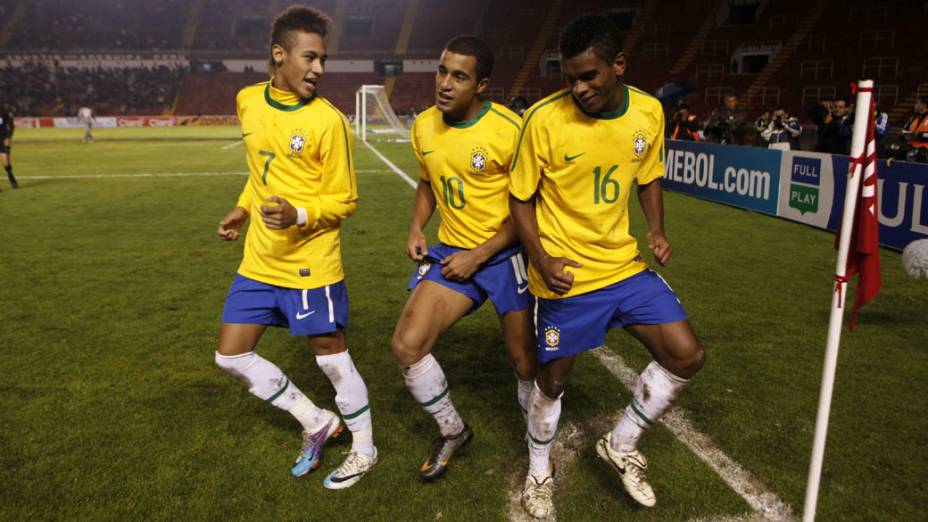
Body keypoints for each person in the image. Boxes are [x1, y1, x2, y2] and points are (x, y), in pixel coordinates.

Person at [508, 14, 705, 518]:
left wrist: (656, 229)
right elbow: (520, 199)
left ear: (618, 64)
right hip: (566, 276)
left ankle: (620, 443)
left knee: (686, 356)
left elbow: (648, 175)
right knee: (552, 383)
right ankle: (538, 470)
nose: (578, 88)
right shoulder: (543, 119)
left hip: (623, 266)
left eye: (589, 76)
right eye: (569, 77)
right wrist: (542, 257)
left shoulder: (649, 112)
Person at [213, 5, 376, 490]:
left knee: (330, 356)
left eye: (323, 58)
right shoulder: (247, 101)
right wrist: (244, 209)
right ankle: (315, 419)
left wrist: (298, 214)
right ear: (279, 55)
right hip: (260, 261)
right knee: (230, 356)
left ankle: (365, 449)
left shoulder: (328, 121)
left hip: (311, 263)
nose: (319, 69)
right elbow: (260, 171)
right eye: (310, 57)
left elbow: (345, 199)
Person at [391, 35, 537, 482]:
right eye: (442, 71)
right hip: (453, 253)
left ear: (482, 85)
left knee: (525, 362)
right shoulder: (424, 127)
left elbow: (528, 208)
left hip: (505, 253)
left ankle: (538, 439)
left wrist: (480, 254)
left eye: (459, 76)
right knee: (406, 345)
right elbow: (427, 184)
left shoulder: (510, 130)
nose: (445, 83)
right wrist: (417, 226)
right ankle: (452, 430)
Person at [902, 95, 928, 163]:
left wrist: (921, 134)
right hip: (911, 147)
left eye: (917, 103)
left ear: (924, 105)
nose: (915, 105)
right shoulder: (913, 118)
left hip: (925, 150)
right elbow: (905, 129)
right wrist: (902, 133)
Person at [0, 104, 17, 190]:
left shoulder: (4, 112)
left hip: (2, 140)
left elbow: (11, 126)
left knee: (6, 164)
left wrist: (8, 138)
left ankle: (10, 175)